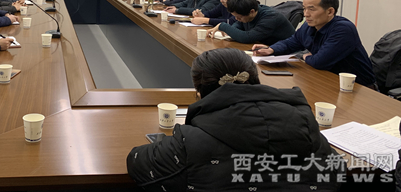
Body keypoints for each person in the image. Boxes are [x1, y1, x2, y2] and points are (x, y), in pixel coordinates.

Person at [127, 48, 343, 191]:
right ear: (254, 78)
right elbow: (336, 169)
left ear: (199, 90)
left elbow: (137, 162)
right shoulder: (306, 124)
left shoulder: (191, 140)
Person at [253, 0, 377, 87]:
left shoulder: (343, 29)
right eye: (304, 9)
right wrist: (272, 49)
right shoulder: (309, 25)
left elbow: (320, 62)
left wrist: (304, 56)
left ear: (330, 12)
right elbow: (293, 41)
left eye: (311, 9)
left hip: (359, 88)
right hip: (326, 80)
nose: (306, 14)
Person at [207, 0, 295, 45]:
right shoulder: (246, 13)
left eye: (239, 17)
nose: (237, 19)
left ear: (252, 11)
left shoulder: (270, 18)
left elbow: (246, 37)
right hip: (262, 48)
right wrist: (232, 31)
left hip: (285, 55)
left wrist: (223, 26)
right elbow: (238, 25)